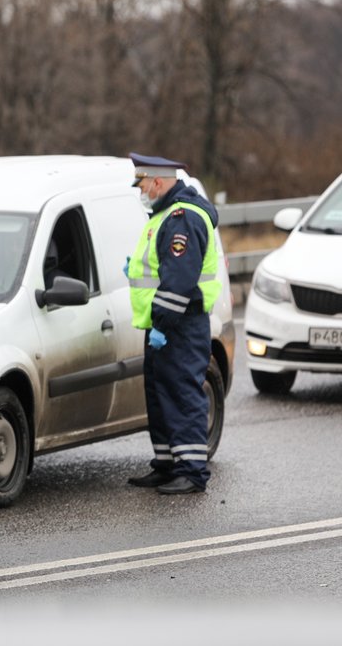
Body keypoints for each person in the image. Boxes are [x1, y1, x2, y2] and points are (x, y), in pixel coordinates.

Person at [125, 153, 222, 495]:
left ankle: (192, 470)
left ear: (157, 181)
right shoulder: (164, 215)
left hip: (181, 324)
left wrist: (163, 326)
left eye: (142, 184)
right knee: (160, 393)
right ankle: (167, 464)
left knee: (182, 393)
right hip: (164, 325)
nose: (140, 191)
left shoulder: (182, 217)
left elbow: (179, 282)